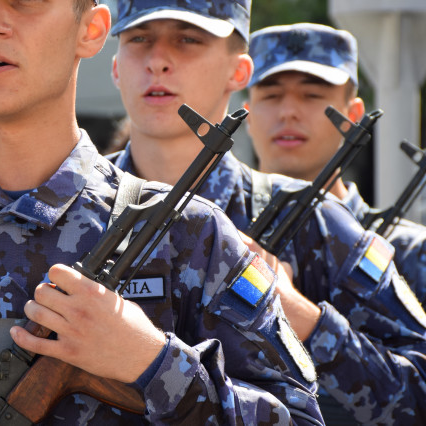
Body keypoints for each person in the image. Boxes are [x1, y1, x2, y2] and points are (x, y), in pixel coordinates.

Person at [0, 1, 323, 424]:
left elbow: (300, 417)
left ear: (91, 29)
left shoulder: (188, 234)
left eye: (24, 0)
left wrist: (154, 364)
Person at [107, 0, 426, 424]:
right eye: (139, 39)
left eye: (187, 40)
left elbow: (419, 393)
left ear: (239, 72)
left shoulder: (314, 222)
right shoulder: (66, 204)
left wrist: (303, 317)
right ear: (115, 67)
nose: (158, 61)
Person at [244, 22, 426, 305]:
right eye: (271, 96)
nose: (288, 112)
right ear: (247, 115)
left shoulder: (409, 252)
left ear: (353, 116)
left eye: (312, 95)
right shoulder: (217, 235)